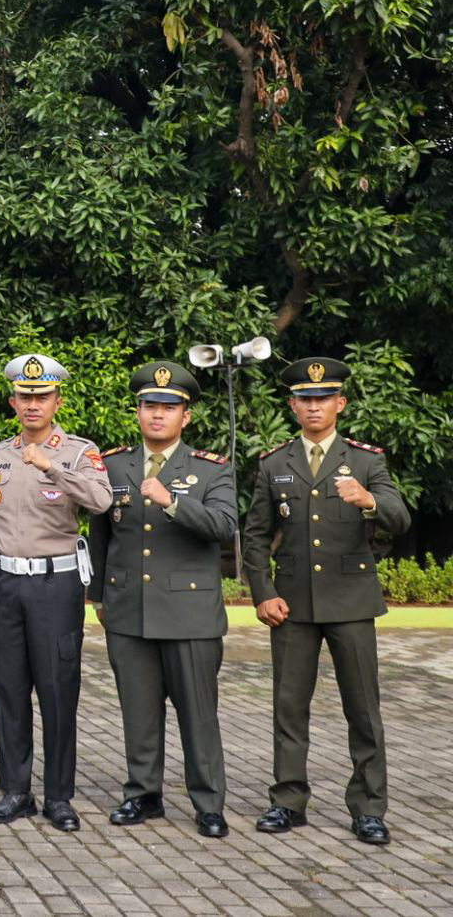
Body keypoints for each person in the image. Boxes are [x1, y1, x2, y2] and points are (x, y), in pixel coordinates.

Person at [243, 356, 410, 845]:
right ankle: (288, 801)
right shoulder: (275, 463)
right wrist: (263, 593)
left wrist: (369, 500)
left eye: (323, 399)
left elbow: (400, 518)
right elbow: (254, 536)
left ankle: (368, 806)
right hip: (292, 606)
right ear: (293, 405)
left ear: (341, 403)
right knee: (289, 707)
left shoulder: (365, 461)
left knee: (363, 709)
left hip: (352, 602)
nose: (314, 407)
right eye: (305, 399)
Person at [86, 361, 237, 838]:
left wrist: (172, 500)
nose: (157, 415)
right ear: (138, 412)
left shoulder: (211, 468)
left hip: (189, 615)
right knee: (138, 710)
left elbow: (224, 526)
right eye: (150, 405)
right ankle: (143, 794)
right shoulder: (112, 466)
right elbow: (100, 536)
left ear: (185, 417)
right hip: (128, 610)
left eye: (168, 407)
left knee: (198, 715)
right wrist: (98, 594)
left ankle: (209, 803)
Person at [0, 354, 112, 831]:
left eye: (42, 396)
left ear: (57, 400)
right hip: (6, 583)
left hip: (56, 583)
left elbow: (101, 501)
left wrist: (51, 466)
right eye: (25, 397)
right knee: (8, 689)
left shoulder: (77, 451)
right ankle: (15, 791)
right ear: (13, 401)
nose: (33, 404)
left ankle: (59, 796)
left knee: (57, 690)